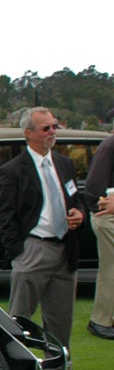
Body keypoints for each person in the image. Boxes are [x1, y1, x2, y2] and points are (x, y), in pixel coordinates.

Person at [0, 107, 91, 370]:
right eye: (46, 128)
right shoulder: (12, 170)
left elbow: (77, 198)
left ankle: (59, 368)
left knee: (61, 318)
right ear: (28, 134)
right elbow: (5, 217)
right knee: (20, 317)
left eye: (54, 127)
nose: (52, 132)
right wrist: (19, 253)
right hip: (33, 250)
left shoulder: (64, 164)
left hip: (65, 249)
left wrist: (80, 214)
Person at [83, 133, 114, 339]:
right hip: (108, 216)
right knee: (111, 269)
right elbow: (94, 188)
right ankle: (101, 320)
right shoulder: (110, 146)